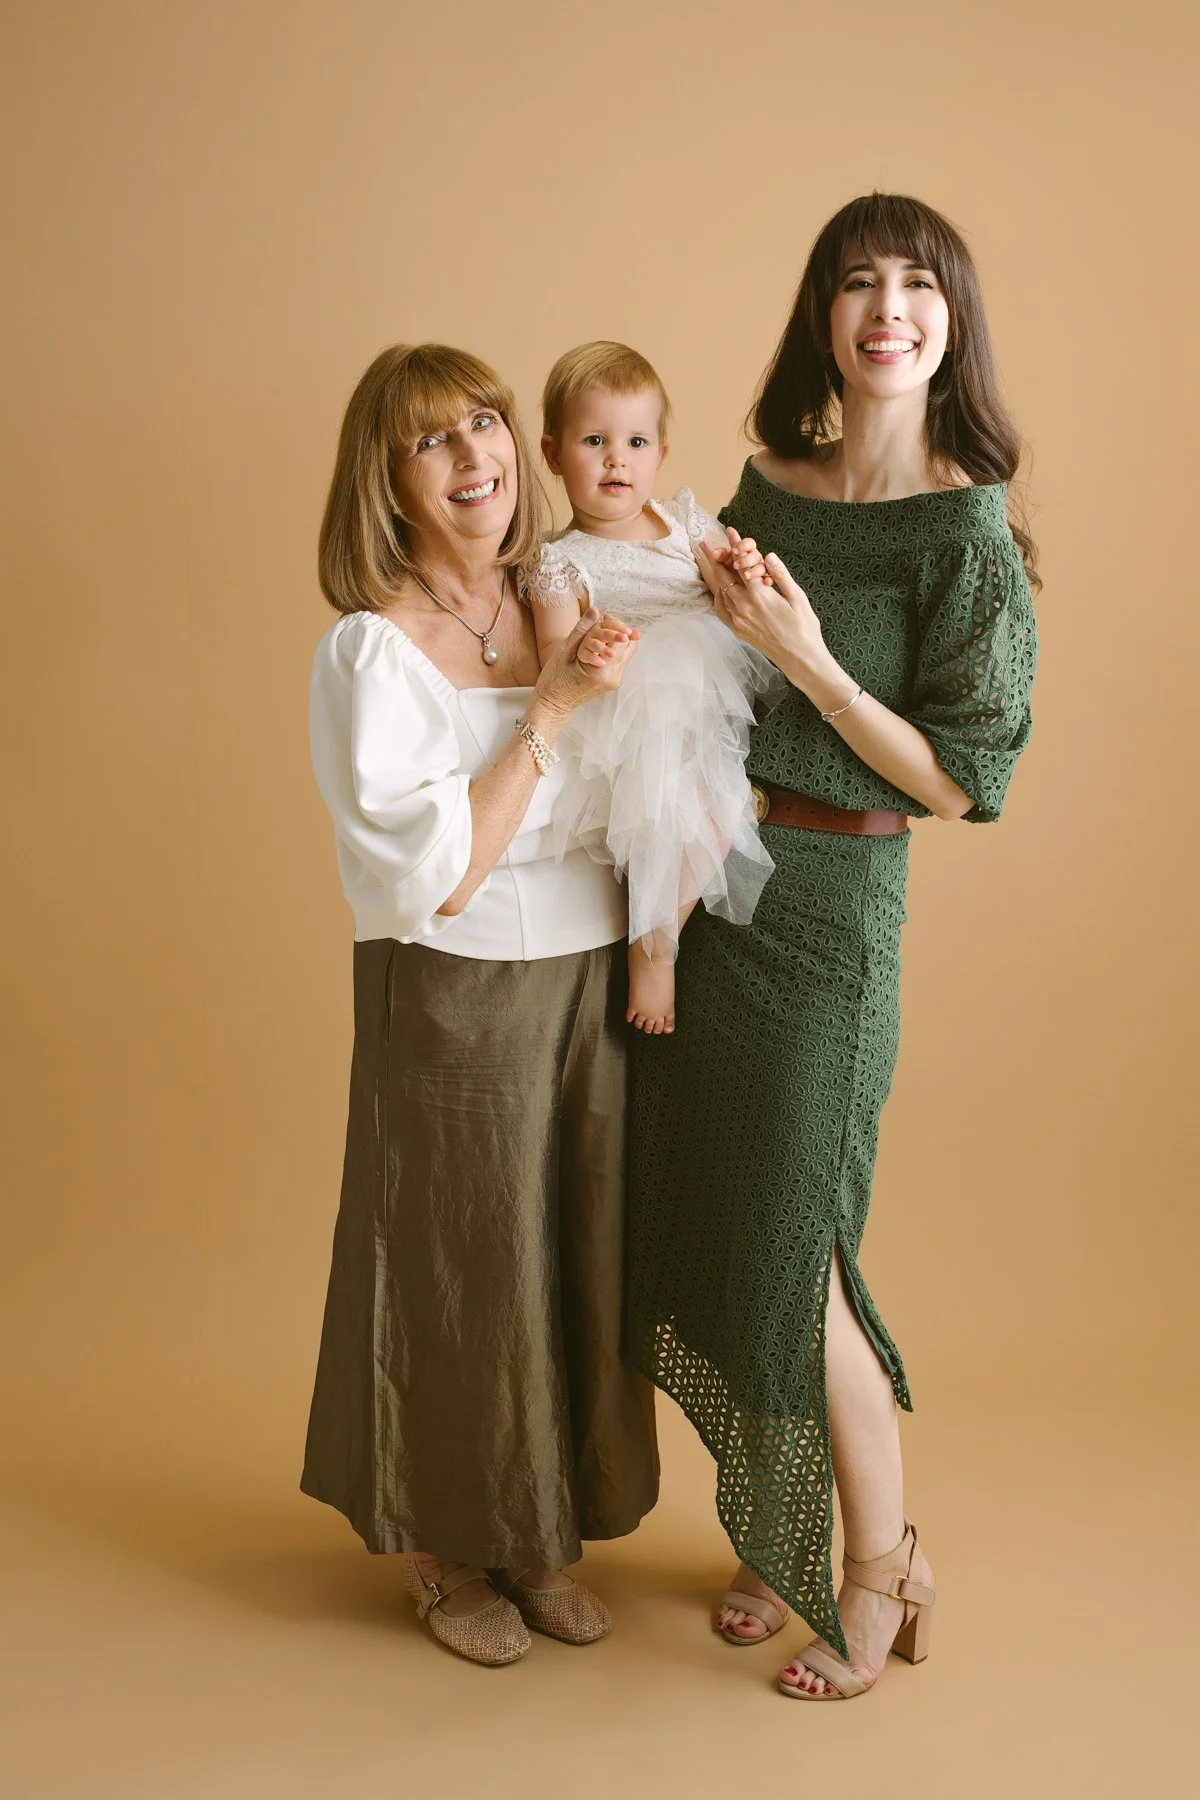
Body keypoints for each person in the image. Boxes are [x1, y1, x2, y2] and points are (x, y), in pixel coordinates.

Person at [626, 194, 1038, 1701]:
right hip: (712, 894)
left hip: (834, 920)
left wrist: (804, 654)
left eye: (916, 286)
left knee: (796, 1253)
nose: (886, 308)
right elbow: (691, 689)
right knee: (726, 1235)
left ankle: (881, 1572)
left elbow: (959, 777)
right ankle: (778, 1528)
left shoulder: (968, 525)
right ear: (822, 312)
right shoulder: (768, 486)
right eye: (857, 282)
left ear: (951, 321)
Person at [302, 342, 659, 1668]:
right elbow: (434, 875)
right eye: (434, 442)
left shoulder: (566, 586)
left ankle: (536, 1530)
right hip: (454, 992)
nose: (476, 460)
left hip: (589, 976)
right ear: (388, 483)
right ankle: (448, 1548)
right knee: (462, 1258)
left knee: (568, 1251)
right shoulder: (371, 652)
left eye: (488, 426)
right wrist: (551, 715)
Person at [529, 342, 783, 1035]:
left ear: (661, 455)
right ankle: (653, 948)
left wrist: (747, 566)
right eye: (595, 440)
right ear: (553, 454)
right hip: (632, 706)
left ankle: (658, 929)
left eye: (636, 441)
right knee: (663, 826)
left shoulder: (684, 521)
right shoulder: (559, 563)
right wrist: (590, 646)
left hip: (709, 692)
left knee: (716, 821)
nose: (618, 459)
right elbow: (556, 654)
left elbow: (732, 579)